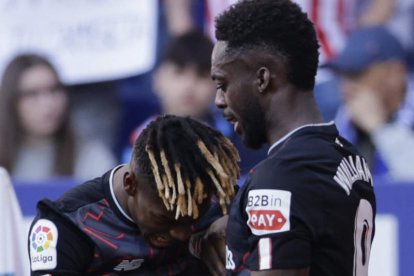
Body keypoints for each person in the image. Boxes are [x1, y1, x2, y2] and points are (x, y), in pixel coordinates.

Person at [211, 0, 376, 275]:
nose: (218, 100)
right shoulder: (348, 155)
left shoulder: (279, 178)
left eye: (223, 84)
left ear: (262, 79)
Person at [28, 115, 240, 275]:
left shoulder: (217, 199)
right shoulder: (68, 225)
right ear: (130, 184)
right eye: (165, 219)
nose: (181, 234)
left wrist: (235, 222)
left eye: (193, 219)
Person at [123, 30, 267, 175]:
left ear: (218, 86)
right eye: (179, 72)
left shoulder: (241, 137)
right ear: (157, 79)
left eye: (201, 75)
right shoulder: (137, 140)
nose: (189, 85)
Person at [0, 54, 116, 182]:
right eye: (32, 94)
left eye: (54, 90)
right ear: (10, 102)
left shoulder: (92, 158)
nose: (48, 102)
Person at [325, 25, 414, 181]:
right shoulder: (336, 122)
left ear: (395, 73)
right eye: (342, 75)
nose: (346, 88)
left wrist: (380, 128)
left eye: (356, 74)